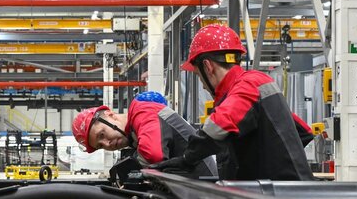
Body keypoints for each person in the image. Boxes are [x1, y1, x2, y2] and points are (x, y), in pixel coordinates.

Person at [152, 24, 314, 180]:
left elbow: (217, 128)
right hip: (276, 191)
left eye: (198, 75)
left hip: (279, 195)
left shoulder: (248, 85)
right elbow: (303, 132)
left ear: (207, 66)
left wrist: (187, 159)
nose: (202, 85)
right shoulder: (256, 83)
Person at [72, 100, 217, 178]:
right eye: (100, 145)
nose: (107, 144)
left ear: (111, 116)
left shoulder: (142, 111)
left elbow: (154, 155)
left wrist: (128, 169)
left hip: (205, 190)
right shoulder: (134, 136)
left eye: (102, 135)